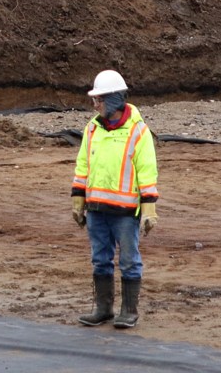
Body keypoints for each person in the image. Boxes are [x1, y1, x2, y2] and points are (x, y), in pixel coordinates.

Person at [71, 69, 158, 329]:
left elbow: (147, 171)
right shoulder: (92, 128)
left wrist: (149, 209)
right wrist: (78, 200)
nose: (95, 105)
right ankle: (103, 309)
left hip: (125, 212)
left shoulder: (138, 132)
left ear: (113, 100)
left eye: (98, 99)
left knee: (129, 261)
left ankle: (128, 311)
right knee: (100, 259)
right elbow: (83, 165)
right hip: (97, 209)